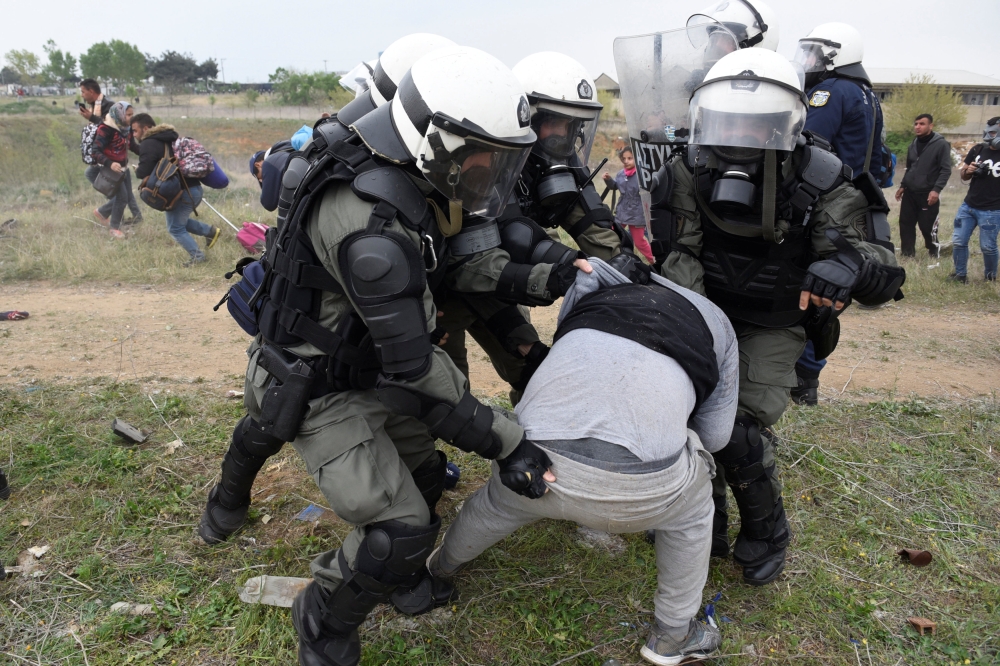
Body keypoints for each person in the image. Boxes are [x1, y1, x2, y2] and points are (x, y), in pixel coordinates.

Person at [213, 45, 592, 666]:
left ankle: (397, 577)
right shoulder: (373, 229)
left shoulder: (398, 167)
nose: (491, 171)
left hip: (364, 363)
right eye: (484, 157)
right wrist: (510, 444)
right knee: (400, 532)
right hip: (318, 384)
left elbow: (445, 297)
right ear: (437, 141)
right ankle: (325, 619)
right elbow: (415, 368)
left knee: (424, 476)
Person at [651, 49, 904, 585]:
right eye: (728, 119)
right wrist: (704, 334)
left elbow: (883, 266)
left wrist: (846, 264)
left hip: (778, 321)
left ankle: (767, 530)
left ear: (785, 123)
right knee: (682, 413)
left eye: (756, 121)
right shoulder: (684, 171)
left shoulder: (822, 177)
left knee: (736, 428)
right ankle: (704, 518)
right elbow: (680, 256)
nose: (740, 132)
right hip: (704, 312)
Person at [428, 258, 739, 665]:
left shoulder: (593, 292)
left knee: (498, 501)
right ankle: (673, 634)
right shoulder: (719, 323)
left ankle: (439, 568)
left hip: (535, 467)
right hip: (645, 492)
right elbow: (716, 437)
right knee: (695, 509)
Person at [790, 22, 890, 406]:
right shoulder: (869, 95)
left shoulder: (830, 92)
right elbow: (880, 163)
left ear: (836, 56)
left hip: (824, 200)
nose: (809, 60)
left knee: (806, 283)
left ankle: (800, 376)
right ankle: (807, 379)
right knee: (831, 287)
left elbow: (806, 145)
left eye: (815, 53)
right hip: (854, 203)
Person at [132, 114, 221, 265]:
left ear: (145, 128)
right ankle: (209, 231)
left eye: (135, 131)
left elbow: (143, 171)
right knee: (178, 222)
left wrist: (137, 170)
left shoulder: (149, 143)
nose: (134, 134)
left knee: (175, 228)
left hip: (182, 193)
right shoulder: (170, 139)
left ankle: (198, 257)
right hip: (193, 189)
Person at [80, 79, 141, 227]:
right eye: (129, 115)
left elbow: (108, 127)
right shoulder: (96, 106)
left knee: (123, 192)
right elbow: (104, 130)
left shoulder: (109, 107)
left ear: (91, 91)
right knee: (123, 193)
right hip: (108, 158)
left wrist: (91, 118)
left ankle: (118, 216)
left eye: (83, 91)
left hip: (114, 158)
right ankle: (124, 217)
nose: (82, 95)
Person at [895, 114, 952, 257]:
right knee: (905, 224)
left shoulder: (941, 144)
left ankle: (934, 251)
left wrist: (936, 190)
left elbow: (945, 170)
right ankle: (907, 254)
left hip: (928, 192)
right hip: (910, 192)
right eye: (916, 124)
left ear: (930, 126)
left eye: (922, 124)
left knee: (927, 226)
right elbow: (910, 168)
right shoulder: (913, 144)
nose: (918, 127)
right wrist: (903, 185)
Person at [951, 117, 1000, 283]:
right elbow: (963, 174)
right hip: (968, 205)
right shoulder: (978, 149)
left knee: (988, 246)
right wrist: (969, 170)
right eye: (987, 132)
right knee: (958, 241)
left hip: (992, 210)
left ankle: (990, 277)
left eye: (993, 132)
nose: (988, 136)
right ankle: (960, 275)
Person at [89, 101, 135, 239]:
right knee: (121, 198)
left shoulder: (126, 129)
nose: (131, 118)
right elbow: (95, 151)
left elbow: (132, 146)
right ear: (119, 114)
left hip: (122, 169)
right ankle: (115, 228)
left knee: (125, 197)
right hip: (109, 170)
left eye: (132, 114)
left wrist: (149, 152)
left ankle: (102, 212)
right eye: (128, 115)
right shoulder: (106, 128)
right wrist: (110, 163)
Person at [603, 146, 654, 263]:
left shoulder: (642, 175)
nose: (626, 161)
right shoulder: (621, 174)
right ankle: (616, 258)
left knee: (639, 242)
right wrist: (608, 179)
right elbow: (615, 186)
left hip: (637, 213)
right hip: (622, 210)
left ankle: (655, 261)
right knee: (613, 234)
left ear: (637, 159)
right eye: (624, 158)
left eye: (630, 158)